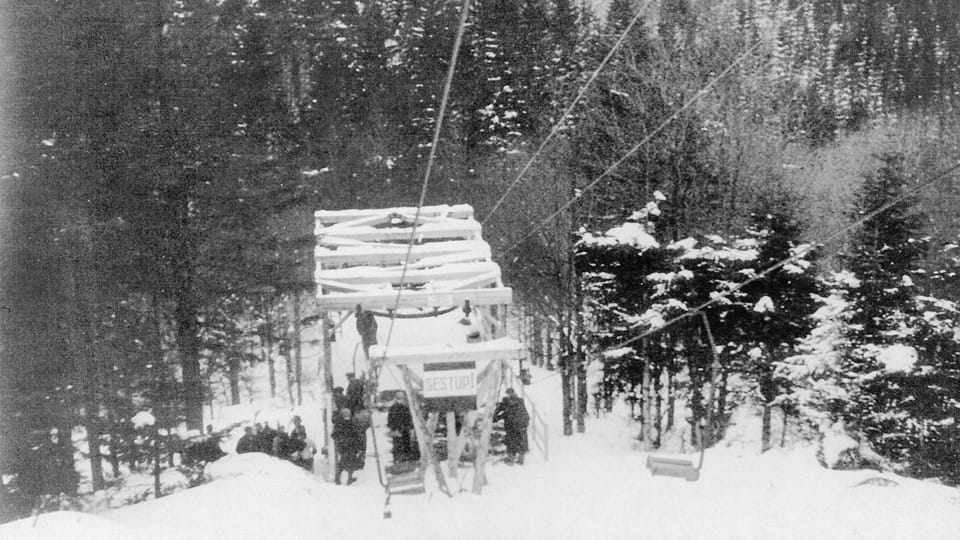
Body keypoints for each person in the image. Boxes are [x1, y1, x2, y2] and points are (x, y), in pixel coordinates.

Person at [494, 388, 530, 465]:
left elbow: (500, 414)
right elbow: (524, 413)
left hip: (513, 425)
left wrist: (495, 417)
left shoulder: (506, 402)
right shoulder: (519, 401)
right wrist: (526, 422)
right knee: (520, 442)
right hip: (520, 425)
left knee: (512, 442)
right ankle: (519, 460)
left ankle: (512, 459)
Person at [332, 408, 366, 485]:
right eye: (345, 415)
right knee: (343, 463)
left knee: (350, 462)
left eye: (348, 415)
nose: (347, 416)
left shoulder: (351, 422)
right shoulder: (340, 423)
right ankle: (338, 479)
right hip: (345, 446)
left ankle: (347, 478)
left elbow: (357, 434)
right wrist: (341, 440)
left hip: (351, 446)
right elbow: (334, 435)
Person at [386, 391, 420, 464]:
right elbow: (390, 421)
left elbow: (409, 419)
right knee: (397, 447)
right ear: (396, 399)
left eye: (402, 399)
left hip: (405, 431)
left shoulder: (406, 408)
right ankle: (397, 461)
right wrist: (394, 430)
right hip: (397, 431)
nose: (401, 400)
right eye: (399, 398)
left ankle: (406, 461)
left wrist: (411, 428)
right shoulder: (393, 408)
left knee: (406, 446)